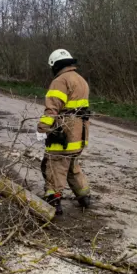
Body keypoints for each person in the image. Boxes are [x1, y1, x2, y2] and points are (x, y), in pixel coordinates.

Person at [36, 49, 91, 215]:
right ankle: (84, 196)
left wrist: (42, 128)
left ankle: (54, 201)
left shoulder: (60, 81)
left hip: (64, 135)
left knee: (53, 166)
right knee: (72, 167)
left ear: (55, 65)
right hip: (79, 135)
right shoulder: (81, 80)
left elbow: (52, 109)